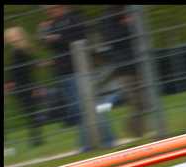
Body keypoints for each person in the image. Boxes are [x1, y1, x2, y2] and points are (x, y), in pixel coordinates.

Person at [40, 5, 113, 151]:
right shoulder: (53, 23)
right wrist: (45, 34)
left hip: (78, 71)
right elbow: (53, 45)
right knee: (76, 110)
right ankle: (97, 142)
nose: (48, 12)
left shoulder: (74, 18)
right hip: (64, 72)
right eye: (46, 10)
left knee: (86, 107)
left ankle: (101, 142)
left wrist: (58, 38)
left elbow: (79, 39)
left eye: (51, 9)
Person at [100, 5, 145, 138]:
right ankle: (136, 131)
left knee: (143, 103)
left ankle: (135, 129)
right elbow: (113, 38)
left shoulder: (125, 13)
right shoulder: (110, 19)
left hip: (137, 62)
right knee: (137, 102)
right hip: (125, 66)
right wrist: (127, 25)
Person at [4, 27, 43, 147]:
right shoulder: (25, 51)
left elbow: (18, 71)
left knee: (29, 113)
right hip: (27, 84)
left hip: (23, 85)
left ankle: (36, 140)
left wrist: (10, 82)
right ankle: (37, 138)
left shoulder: (18, 53)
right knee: (31, 112)